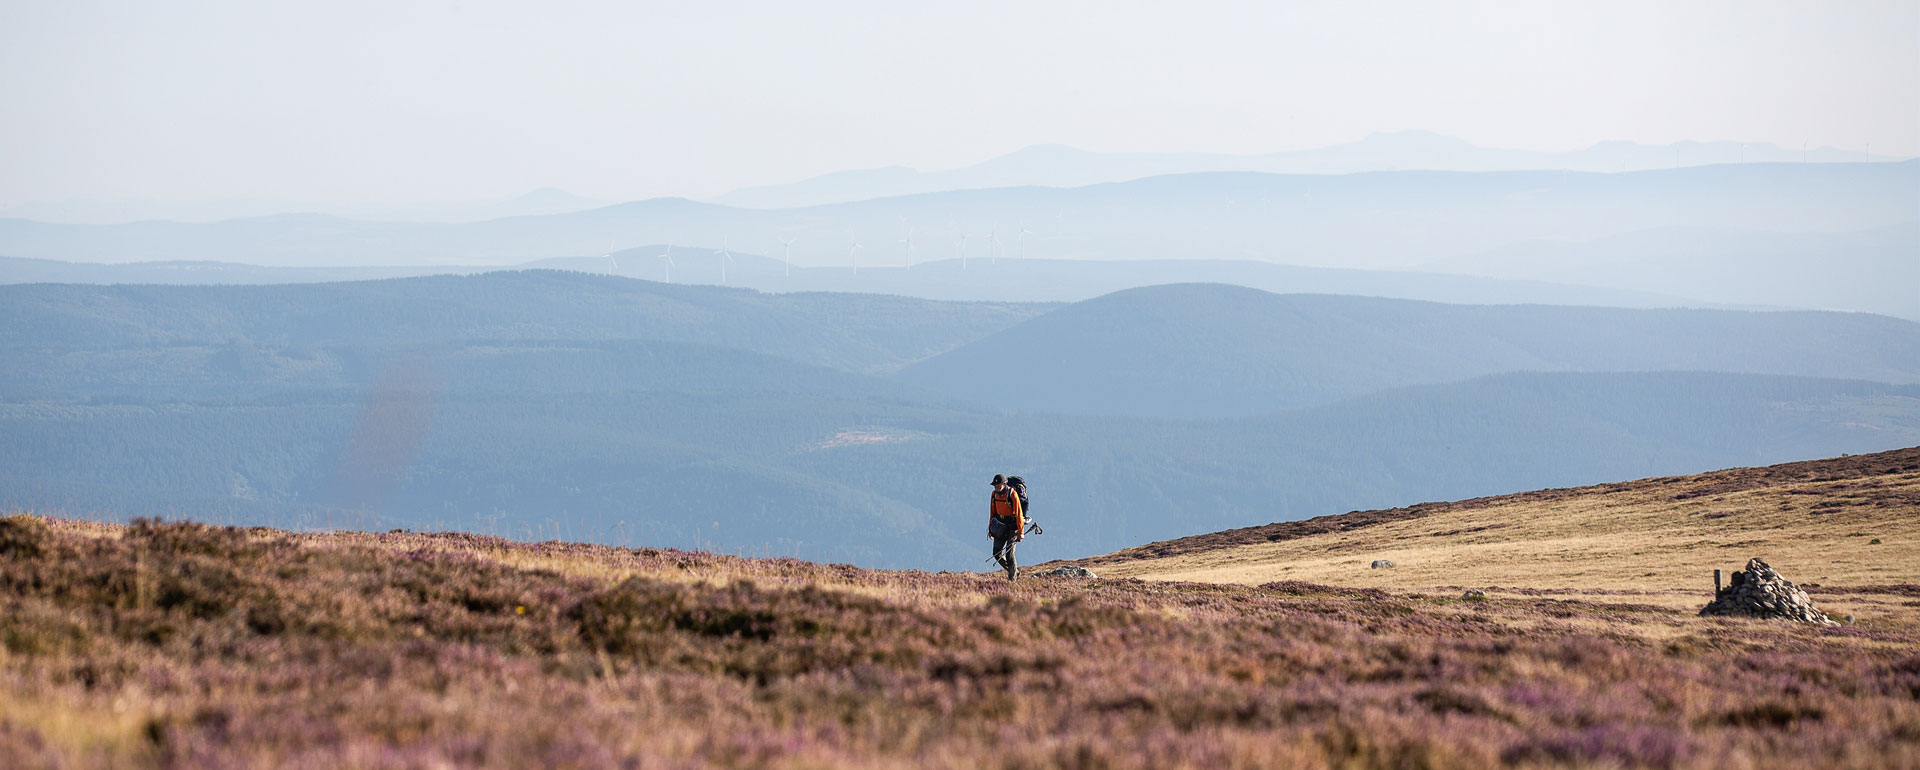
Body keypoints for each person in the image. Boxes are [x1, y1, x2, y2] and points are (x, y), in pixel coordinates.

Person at [988, 473, 1024, 580]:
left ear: (1004, 484)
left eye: (997, 485)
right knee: (996, 553)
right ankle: (1014, 571)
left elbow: (1019, 513)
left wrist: (1021, 532)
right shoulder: (994, 494)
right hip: (999, 527)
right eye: (995, 485)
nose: (996, 487)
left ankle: (1012, 580)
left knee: (1009, 554)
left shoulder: (1012, 494)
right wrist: (991, 530)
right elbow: (992, 512)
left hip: (1012, 528)